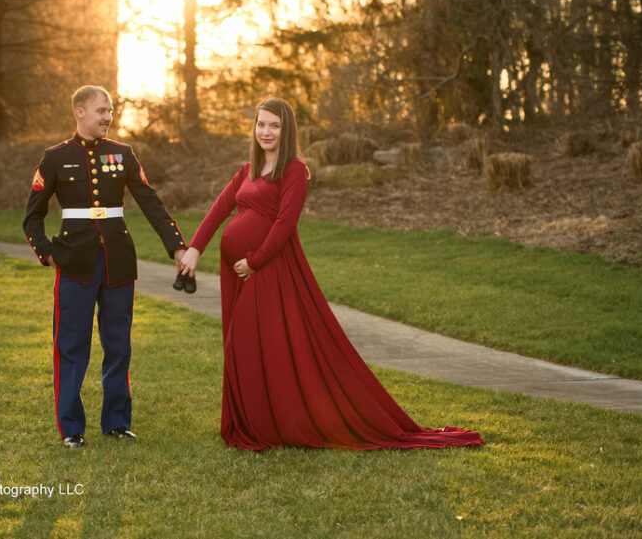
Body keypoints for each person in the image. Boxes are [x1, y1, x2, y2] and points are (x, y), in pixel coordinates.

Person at [178, 98, 484, 451]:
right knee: (242, 347)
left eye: (274, 126)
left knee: (251, 345)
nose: (266, 131)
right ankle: (255, 421)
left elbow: (284, 224)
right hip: (240, 273)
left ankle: (267, 425)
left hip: (268, 271)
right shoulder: (248, 168)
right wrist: (195, 248)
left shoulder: (294, 170)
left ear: (286, 130)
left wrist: (256, 261)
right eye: (261, 124)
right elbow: (219, 209)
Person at [24, 85, 187, 447]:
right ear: (79, 112)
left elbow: (150, 202)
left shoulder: (123, 154)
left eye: (110, 111)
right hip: (74, 262)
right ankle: (72, 429)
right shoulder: (55, 158)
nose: (107, 117)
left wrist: (176, 246)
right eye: (100, 111)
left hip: (118, 259)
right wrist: (47, 253)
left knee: (118, 343)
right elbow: (32, 217)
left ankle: (116, 421)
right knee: (71, 344)